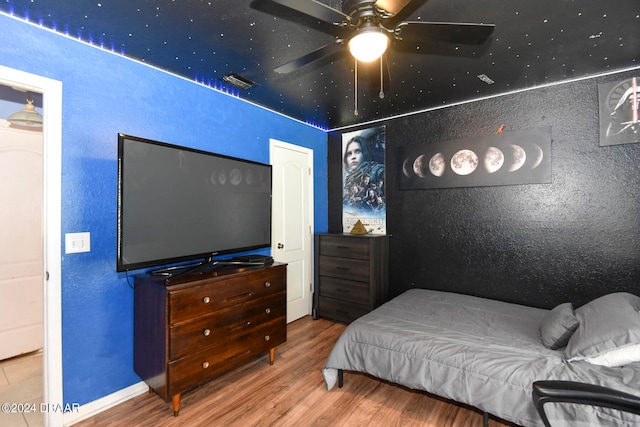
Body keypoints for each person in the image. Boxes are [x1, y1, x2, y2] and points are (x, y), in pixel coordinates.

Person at [342, 136, 385, 207]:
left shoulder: (376, 169)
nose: (353, 157)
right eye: (349, 154)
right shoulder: (348, 178)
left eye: (357, 151)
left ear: (365, 152)